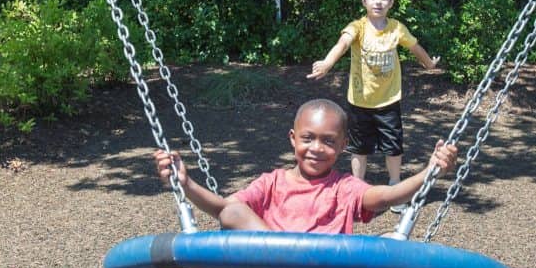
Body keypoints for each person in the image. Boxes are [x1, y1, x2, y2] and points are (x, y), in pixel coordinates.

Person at [153, 98, 458, 234]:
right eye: (308, 138)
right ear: (293, 139)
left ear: (342, 146)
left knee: (393, 242)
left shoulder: (344, 187)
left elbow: (387, 197)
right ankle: (276, 249)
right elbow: (225, 210)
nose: (316, 149)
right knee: (233, 211)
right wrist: (186, 184)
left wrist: (428, 172)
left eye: (328, 141)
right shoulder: (271, 182)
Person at [307, 0, 440, 211]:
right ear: (364, 1)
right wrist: (327, 63)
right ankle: (358, 189)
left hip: (388, 101)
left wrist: (428, 63)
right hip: (360, 101)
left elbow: (414, 47)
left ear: (391, 2)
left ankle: (395, 186)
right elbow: (342, 44)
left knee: (393, 145)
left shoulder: (396, 28)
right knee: (359, 148)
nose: (378, 2)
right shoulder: (357, 27)